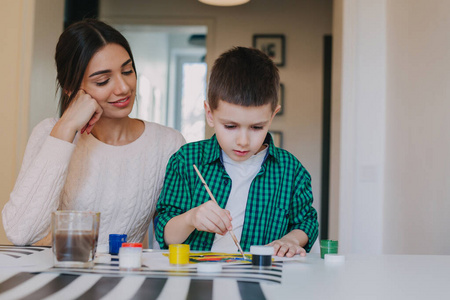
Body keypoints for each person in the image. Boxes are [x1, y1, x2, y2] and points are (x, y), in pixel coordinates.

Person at [2, 19, 185, 248]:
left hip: (127, 278)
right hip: (61, 277)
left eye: (127, 71)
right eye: (103, 80)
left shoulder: (168, 144)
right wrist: (66, 127)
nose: (123, 88)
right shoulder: (50, 134)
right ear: (70, 87)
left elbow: (172, 235)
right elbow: (20, 233)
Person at [155, 46, 318, 257]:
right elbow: (165, 233)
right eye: (230, 126)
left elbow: (307, 222)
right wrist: (191, 218)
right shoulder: (186, 160)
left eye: (256, 127)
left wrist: (290, 240)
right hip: (198, 279)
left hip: (260, 278)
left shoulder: (291, 170)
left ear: (272, 116)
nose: (243, 141)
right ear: (210, 114)